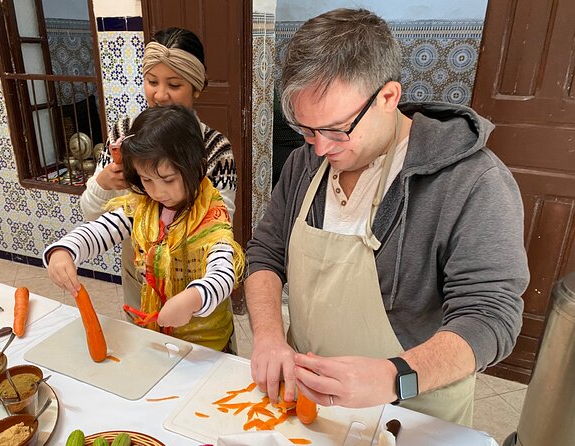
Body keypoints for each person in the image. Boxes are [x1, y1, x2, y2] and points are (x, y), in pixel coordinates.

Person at [245, 8, 529, 426]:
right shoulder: (305, 164)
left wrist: (396, 377)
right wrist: (268, 337)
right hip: (311, 404)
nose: (320, 149)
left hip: (413, 411)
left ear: (388, 97)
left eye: (338, 130)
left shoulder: (473, 181)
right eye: (307, 130)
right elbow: (265, 255)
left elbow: (490, 316)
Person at [46, 105, 244, 351]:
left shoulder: (212, 214)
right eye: (147, 179)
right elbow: (100, 230)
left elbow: (224, 273)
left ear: (196, 165)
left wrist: (196, 297)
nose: (158, 191)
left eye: (169, 179)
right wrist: (66, 250)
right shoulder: (144, 206)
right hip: (158, 337)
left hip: (208, 345)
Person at [80, 27, 237, 311]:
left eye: (174, 85)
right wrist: (102, 184)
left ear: (197, 87)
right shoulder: (124, 135)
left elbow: (220, 226)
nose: (160, 95)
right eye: (152, 81)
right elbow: (93, 215)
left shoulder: (214, 147)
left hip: (196, 276)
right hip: (140, 269)